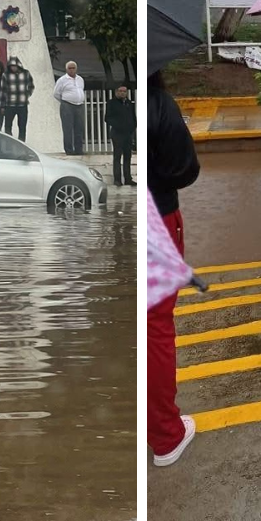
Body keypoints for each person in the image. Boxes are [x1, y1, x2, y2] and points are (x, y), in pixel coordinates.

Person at [147, 71, 201, 467]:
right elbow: (185, 169)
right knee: (155, 324)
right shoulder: (158, 104)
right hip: (157, 219)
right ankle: (165, 435)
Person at [106, 84, 136, 185]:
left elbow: (133, 116)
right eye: (121, 91)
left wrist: (133, 127)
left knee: (128, 156)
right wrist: (118, 125)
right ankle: (117, 179)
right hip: (117, 133)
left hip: (128, 133)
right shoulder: (111, 103)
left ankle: (128, 179)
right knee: (117, 156)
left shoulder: (129, 103)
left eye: (124, 91)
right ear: (116, 92)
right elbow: (107, 118)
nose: (123, 93)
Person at [54, 60, 86, 155]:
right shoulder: (62, 80)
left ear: (76, 69)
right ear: (66, 69)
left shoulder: (80, 79)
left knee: (79, 128)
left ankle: (79, 149)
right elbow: (56, 93)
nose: (72, 70)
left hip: (79, 105)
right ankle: (69, 150)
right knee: (68, 128)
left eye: (73, 68)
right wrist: (65, 101)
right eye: (70, 68)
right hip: (67, 105)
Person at [0, 56, 34, 140]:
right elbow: (3, 90)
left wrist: (26, 95)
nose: (13, 68)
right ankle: (9, 146)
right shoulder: (6, 75)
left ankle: (21, 145)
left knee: (22, 126)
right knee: (8, 126)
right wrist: (2, 106)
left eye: (14, 66)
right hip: (10, 104)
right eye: (11, 66)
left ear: (18, 65)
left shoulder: (26, 73)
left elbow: (31, 86)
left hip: (22, 105)